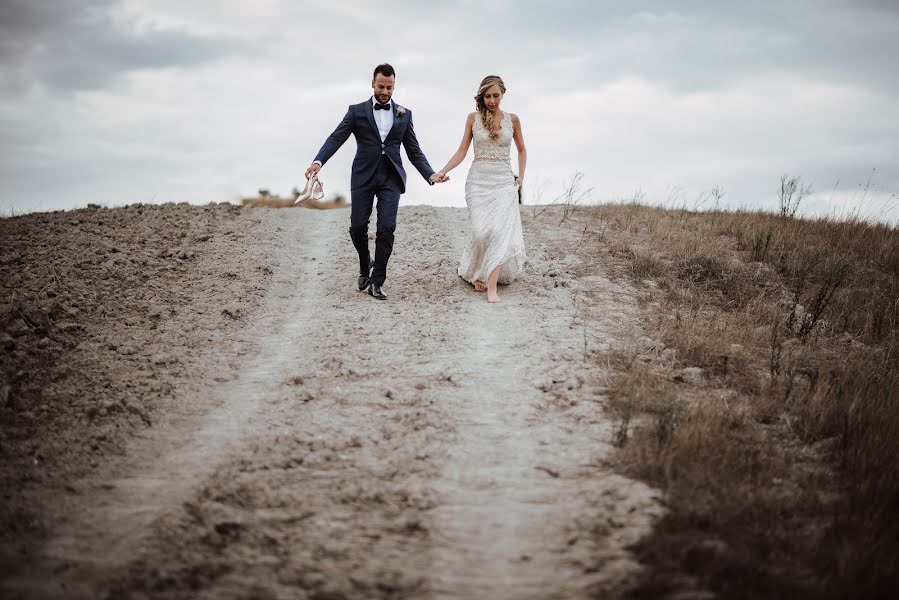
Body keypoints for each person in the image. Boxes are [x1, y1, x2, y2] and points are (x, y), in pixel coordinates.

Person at [305, 63, 445, 301]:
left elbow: (414, 150)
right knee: (357, 227)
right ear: (372, 83)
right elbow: (336, 137)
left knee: (386, 228)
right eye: (381, 86)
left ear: (394, 86)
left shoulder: (404, 113)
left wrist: (430, 174)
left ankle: (377, 281)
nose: (385, 92)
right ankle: (364, 263)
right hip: (363, 175)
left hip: (391, 178)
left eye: (389, 87)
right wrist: (318, 161)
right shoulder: (356, 111)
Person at [434, 75, 527, 303]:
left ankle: (490, 286)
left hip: (503, 182)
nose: (492, 101)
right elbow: (462, 151)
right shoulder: (472, 119)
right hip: (478, 182)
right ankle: (478, 271)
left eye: (496, 95)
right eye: (487, 96)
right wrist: (442, 171)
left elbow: (522, 150)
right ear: (481, 96)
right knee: (480, 231)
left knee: (497, 232)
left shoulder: (513, 120)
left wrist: (520, 178)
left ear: (503, 94)